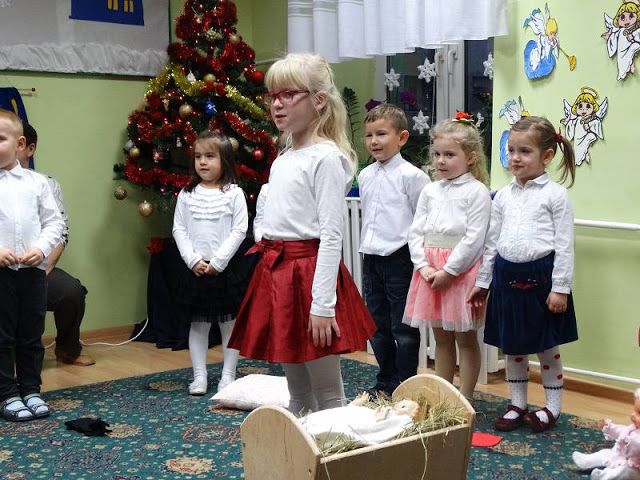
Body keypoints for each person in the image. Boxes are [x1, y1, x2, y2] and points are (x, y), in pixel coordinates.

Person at [228, 53, 376, 413]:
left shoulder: (326, 158)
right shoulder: (282, 159)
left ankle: (333, 446)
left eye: (288, 94)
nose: (277, 104)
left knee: (328, 393)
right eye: (273, 96)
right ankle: (299, 445)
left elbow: (331, 235)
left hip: (310, 277)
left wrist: (322, 305)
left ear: (319, 100)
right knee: (296, 390)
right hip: (278, 274)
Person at [468, 115, 578, 433]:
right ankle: (517, 404)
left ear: (547, 155)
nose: (515, 158)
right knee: (513, 345)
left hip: (542, 279)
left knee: (546, 345)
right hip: (506, 277)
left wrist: (560, 287)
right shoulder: (502, 195)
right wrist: (483, 282)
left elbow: (565, 245)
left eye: (525, 151)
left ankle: (552, 407)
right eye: (511, 150)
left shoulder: (556, 195)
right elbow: (492, 243)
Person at [403, 114, 491, 403]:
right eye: (437, 154)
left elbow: (474, 239)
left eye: (449, 155)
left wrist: (449, 271)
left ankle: (464, 397)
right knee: (440, 337)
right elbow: (416, 231)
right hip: (430, 270)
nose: (441, 161)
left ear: (470, 158)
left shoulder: (477, 192)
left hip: (460, 273)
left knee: (465, 338)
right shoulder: (430, 190)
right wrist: (423, 266)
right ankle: (443, 397)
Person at [358, 103, 430, 397]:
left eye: (381, 134)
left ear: (401, 138)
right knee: (376, 324)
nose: (374, 141)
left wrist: (420, 261)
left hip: (400, 258)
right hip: (371, 258)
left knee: (403, 327)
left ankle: (404, 382)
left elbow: (422, 221)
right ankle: (385, 378)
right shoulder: (365, 175)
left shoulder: (412, 176)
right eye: (369, 135)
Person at [172, 130, 249, 395]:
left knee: (229, 325)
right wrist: (192, 259)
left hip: (224, 270)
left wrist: (218, 261)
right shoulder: (187, 194)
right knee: (198, 325)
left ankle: (228, 375)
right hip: (196, 270)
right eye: (198, 157)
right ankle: (199, 376)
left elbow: (239, 230)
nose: (202, 162)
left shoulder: (234, 194)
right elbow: (179, 229)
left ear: (224, 160)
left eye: (209, 156)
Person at [0, 109, 64, 421]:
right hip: (0, 275)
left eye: (0, 139)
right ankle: (6, 393)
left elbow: (54, 223)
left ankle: (31, 389)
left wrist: (40, 248)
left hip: (32, 273)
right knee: (2, 336)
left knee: (31, 333)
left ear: (20, 143)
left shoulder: (38, 183)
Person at [16, 123, 95, 366]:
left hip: (38, 266)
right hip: (5, 267)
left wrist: (44, 268)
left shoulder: (46, 184)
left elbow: (60, 231)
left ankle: (68, 350)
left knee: (71, 292)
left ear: (29, 148)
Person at [572, 388, 640, 480]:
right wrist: (609, 427)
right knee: (605, 453)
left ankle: (604, 476)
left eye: (639, 413)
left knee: (624, 471)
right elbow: (621, 431)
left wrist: (631, 442)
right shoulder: (634, 427)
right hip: (622, 456)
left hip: (636, 467)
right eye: (634, 410)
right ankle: (587, 461)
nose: (633, 415)